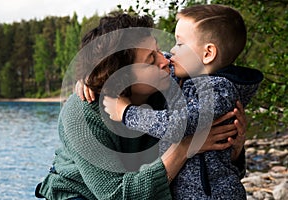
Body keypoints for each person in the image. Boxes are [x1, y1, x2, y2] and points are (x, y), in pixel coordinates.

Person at [36, 12, 247, 200]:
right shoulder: (82, 114)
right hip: (80, 193)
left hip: (145, 184)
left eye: (157, 51)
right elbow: (116, 195)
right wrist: (184, 148)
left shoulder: (169, 83)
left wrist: (234, 148)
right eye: (150, 59)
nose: (165, 61)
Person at [103, 5, 264, 200]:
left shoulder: (219, 91)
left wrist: (127, 113)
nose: (170, 51)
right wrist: (92, 77)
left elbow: (178, 123)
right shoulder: (187, 78)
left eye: (179, 44)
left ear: (207, 54)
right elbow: (137, 61)